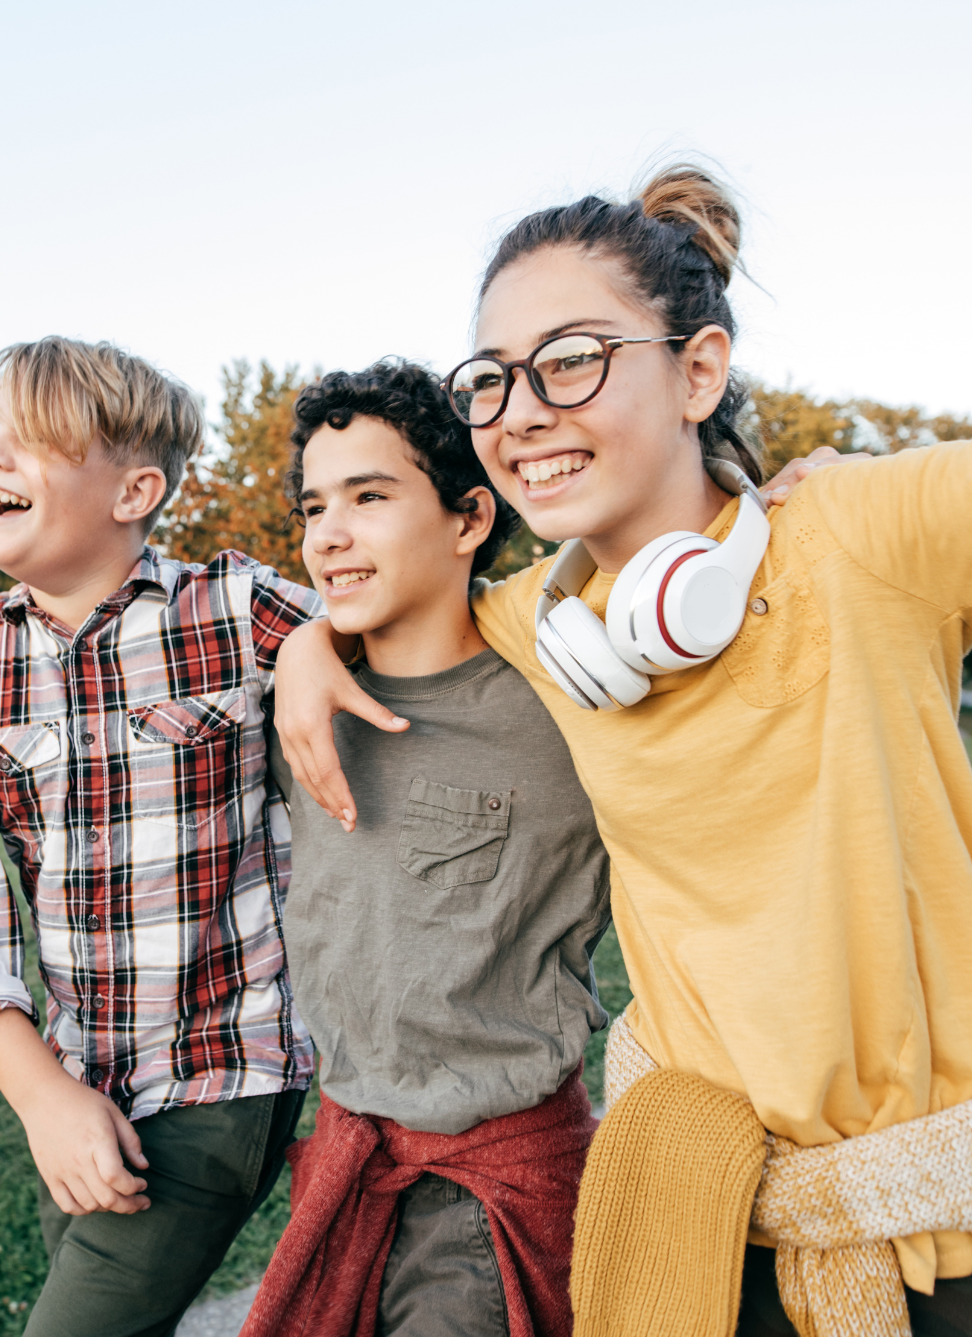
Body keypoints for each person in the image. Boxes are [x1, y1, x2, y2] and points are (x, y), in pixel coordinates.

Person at [274, 167, 972, 1336]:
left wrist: (872, 477)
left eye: (573, 361)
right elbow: (380, 583)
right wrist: (310, 637)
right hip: (697, 1216)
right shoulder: (537, 628)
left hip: (937, 1223)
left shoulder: (866, 529)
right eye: (491, 380)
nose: (521, 413)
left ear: (699, 371)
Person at [0, 337, 323, 1337]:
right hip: (75, 1083)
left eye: (31, 439)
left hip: (228, 1070)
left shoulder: (232, 606)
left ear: (134, 490)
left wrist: (312, 646)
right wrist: (44, 1101)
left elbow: (406, 620)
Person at [240, 362, 610, 1337]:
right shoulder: (296, 702)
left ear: (468, 519)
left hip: (487, 1189)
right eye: (316, 504)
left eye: (370, 496)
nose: (328, 532)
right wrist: (299, 651)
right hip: (355, 1156)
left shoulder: (563, 701)